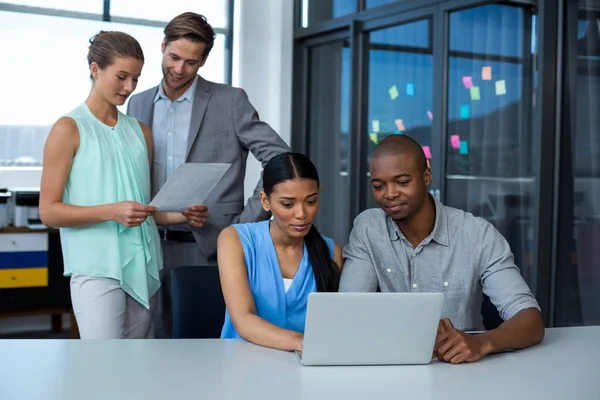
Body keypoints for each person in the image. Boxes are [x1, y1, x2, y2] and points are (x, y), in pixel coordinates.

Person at [127, 12, 290, 338]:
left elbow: (279, 157)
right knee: (157, 339)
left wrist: (245, 223)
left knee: (209, 340)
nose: (179, 69)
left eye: (191, 62)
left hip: (212, 245)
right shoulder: (138, 104)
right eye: (173, 57)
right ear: (162, 46)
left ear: (203, 60)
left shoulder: (230, 101)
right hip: (150, 243)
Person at [339, 134, 545, 364]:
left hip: (462, 372)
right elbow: (350, 311)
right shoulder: (369, 229)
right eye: (379, 186)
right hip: (393, 367)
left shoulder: (476, 234)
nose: (390, 194)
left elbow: (530, 320)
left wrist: (481, 343)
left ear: (426, 176)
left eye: (402, 182)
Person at [39, 31, 165, 339]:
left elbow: (142, 206)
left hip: (143, 262)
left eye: (136, 78)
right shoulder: (67, 128)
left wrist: (182, 214)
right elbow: (49, 212)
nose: (130, 87)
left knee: (138, 366)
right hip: (96, 266)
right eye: (122, 76)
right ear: (95, 69)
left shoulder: (141, 132)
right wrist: (112, 211)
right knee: (102, 367)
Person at [218, 152, 344, 351]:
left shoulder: (331, 252)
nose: (301, 214)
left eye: (311, 202)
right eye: (288, 204)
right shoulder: (235, 240)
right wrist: (302, 343)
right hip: (243, 366)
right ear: (265, 201)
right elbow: (243, 320)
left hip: (307, 370)